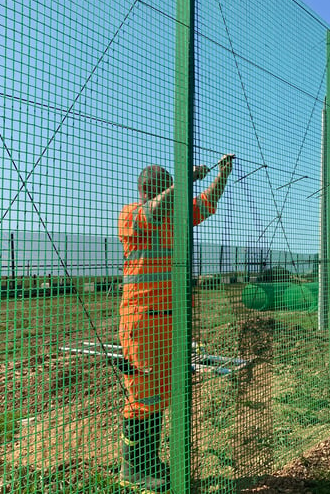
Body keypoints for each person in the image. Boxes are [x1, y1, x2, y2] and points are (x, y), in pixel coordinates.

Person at [117, 154, 234, 492]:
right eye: (165, 187)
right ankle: (133, 469)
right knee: (143, 396)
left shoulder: (176, 218)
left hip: (171, 321)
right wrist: (183, 183)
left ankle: (149, 462)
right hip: (142, 321)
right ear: (147, 191)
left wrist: (222, 173)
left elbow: (207, 203)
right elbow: (153, 210)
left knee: (161, 395)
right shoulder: (132, 214)